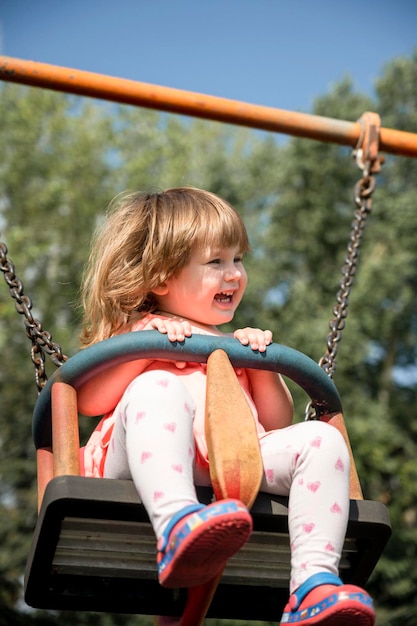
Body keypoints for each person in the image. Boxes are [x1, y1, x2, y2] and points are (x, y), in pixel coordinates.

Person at [78, 187, 375, 625]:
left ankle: (313, 584)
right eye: (216, 262)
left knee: (322, 439)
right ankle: (177, 523)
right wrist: (146, 347)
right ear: (161, 276)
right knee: (159, 386)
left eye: (239, 259)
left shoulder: (237, 345)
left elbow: (276, 422)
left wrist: (260, 365)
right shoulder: (141, 332)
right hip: (142, 462)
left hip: (232, 461)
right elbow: (89, 399)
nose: (234, 273)